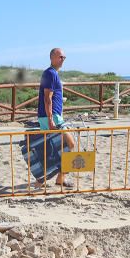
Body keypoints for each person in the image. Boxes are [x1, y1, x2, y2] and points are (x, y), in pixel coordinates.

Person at [38, 47, 75, 186]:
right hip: (51, 116)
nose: (63, 60)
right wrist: (50, 119)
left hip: (53, 116)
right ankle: (57, 178)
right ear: (52, 57)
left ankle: (57, 178)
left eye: (64, 57)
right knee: (69, 144)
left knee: (53, 148)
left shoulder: (52, 73)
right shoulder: (50, 73)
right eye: (60, 57)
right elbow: (47, 98)